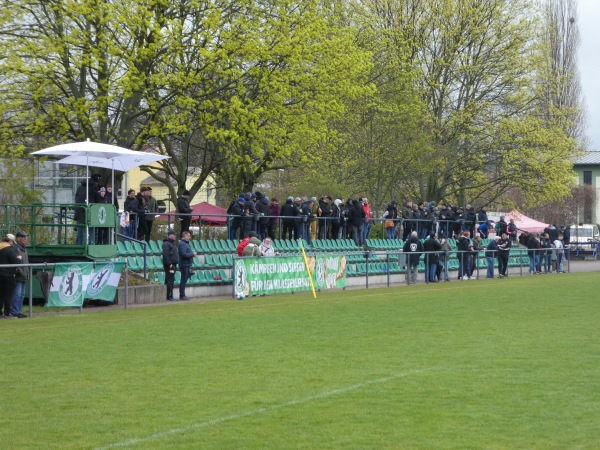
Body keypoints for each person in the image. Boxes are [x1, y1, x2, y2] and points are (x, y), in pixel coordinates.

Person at [74, 173, 101, 244]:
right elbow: (97, 200)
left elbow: (76, 197)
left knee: (80, 227)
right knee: (91, 227)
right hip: (89, 211)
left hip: (79, 210)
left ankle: (79, 244)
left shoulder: (80, 187)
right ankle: (90, 243)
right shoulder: (93, 187)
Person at [0, 235, 20, 319]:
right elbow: (16, 262)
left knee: (0, 295)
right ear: (10, 241)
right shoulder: (10, 250)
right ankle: (7, 314)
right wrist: (19, 258)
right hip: (9, 275)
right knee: (8, 295)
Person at [11, 231, 29, 318]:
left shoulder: (24, 248)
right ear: (18, 238)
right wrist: (22, 273)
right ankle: (14, 311)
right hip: (18, 276)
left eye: (26, 237)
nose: (25, 238)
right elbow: (16, 264)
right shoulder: (15, 248)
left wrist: (27, 273)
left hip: (23, 276)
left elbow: (26, 262)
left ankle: (19, 311)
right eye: (23, 237)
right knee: (17, 294)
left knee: (21, 295)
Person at [178, 231, 196, 300]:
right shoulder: (183, 244)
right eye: (188, 236)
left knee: (184, 279)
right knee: (183, 279)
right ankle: (182, 295)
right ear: (185, 236)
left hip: (186, 264)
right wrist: (192, 254)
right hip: (184, 264)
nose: (189, 237)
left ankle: (182, 294)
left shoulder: (186, 244)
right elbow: (184, 254)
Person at [162, 229, 179, 301]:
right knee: (170, 279)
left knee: (169, 279)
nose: (175, 236)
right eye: (174, 235)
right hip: (170, 265)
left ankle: (168, 295)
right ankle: (169, 295)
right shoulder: (166, 244)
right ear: (170, 235)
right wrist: (169, 264)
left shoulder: (172, 244)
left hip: (173, 264)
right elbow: (165, 255)